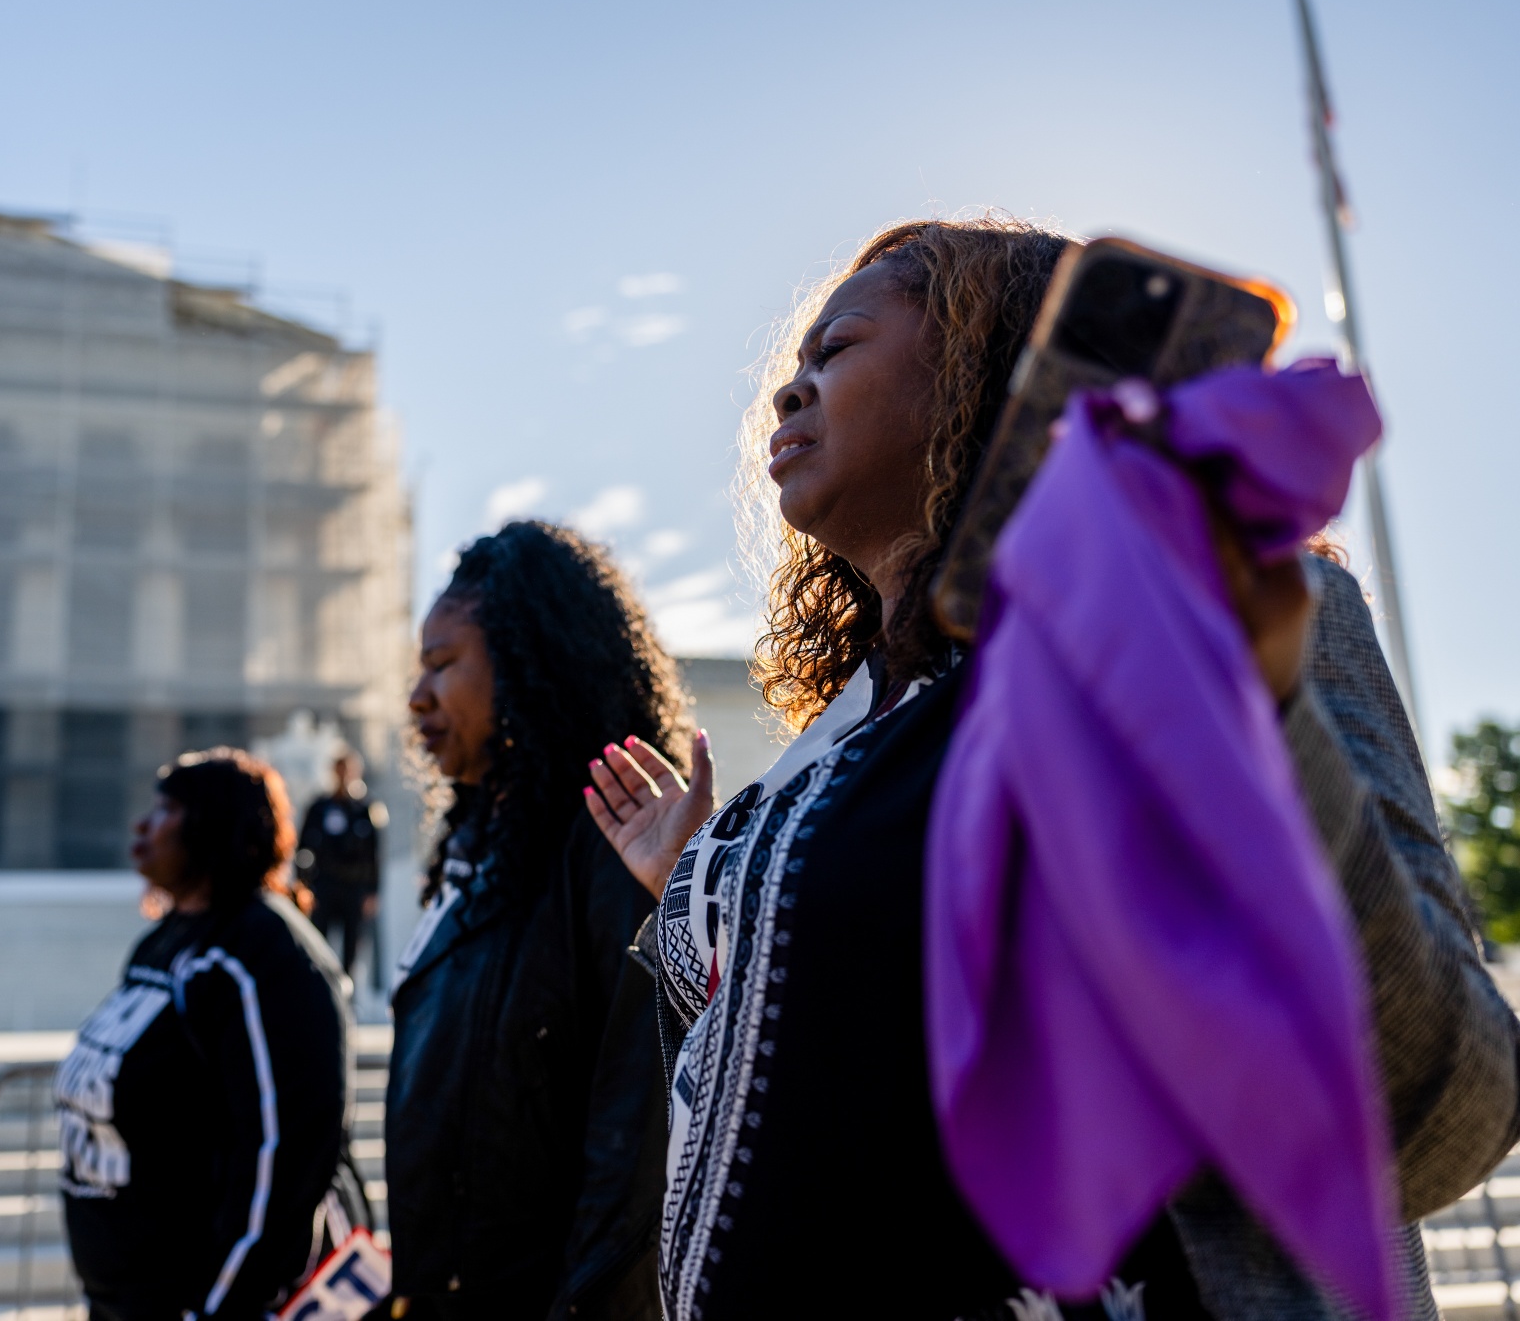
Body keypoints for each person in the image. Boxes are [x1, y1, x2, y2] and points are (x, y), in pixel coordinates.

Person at [584, 217, 1520, 1319]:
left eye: (833, 352)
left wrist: (1238, 702)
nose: (787, 394)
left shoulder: (1239, 603)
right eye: (786, 372)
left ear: (991, 371)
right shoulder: (822, 755)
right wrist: (702, 876)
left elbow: (1437, 1109)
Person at [386, 520, 686, 1321]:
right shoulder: (478, 842)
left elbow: (634, 1141)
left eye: (443, 664)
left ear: (528, 664)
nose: (417, 697)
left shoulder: (613, 847)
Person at [55, 748, 359, 1321]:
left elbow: (285, 1152)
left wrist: (223, 1306)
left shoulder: (262, 956)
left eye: (167, 810)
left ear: (215, 827)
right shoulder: (165, 941)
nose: (142, 825)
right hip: (126, 1301)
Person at [297, 749, 387, 986]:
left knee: (352, 948)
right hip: (324, 885)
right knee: (318, 945)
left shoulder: (367, 809)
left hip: (354, 888)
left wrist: (372, 892)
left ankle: (348, 995)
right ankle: (319, 992)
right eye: (339, 769)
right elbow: (303, 849)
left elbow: (375, 855)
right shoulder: (319, 807)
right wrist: (303, 886)